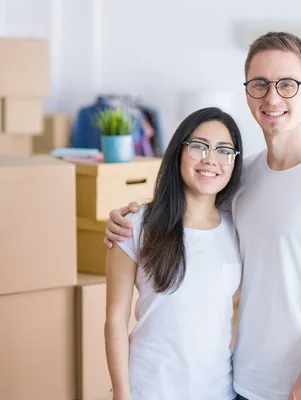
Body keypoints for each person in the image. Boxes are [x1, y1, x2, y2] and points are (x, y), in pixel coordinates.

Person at [104, 32, 301, 400]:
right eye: (260, 84)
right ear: (247, 94)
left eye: (287, 85)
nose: (272, 97)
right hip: (241, 383)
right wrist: (127, 216)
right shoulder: (246, 179)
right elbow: (194, 216)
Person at [104, 107, 244, 400]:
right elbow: (115, 319)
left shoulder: (240, 231)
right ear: (178, 151)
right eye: (199, 146)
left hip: (218, 391)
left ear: (234, 162)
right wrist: (121, 393)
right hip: (148, 388)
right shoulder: (135, 224)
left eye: (223, 150)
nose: (210, 159)